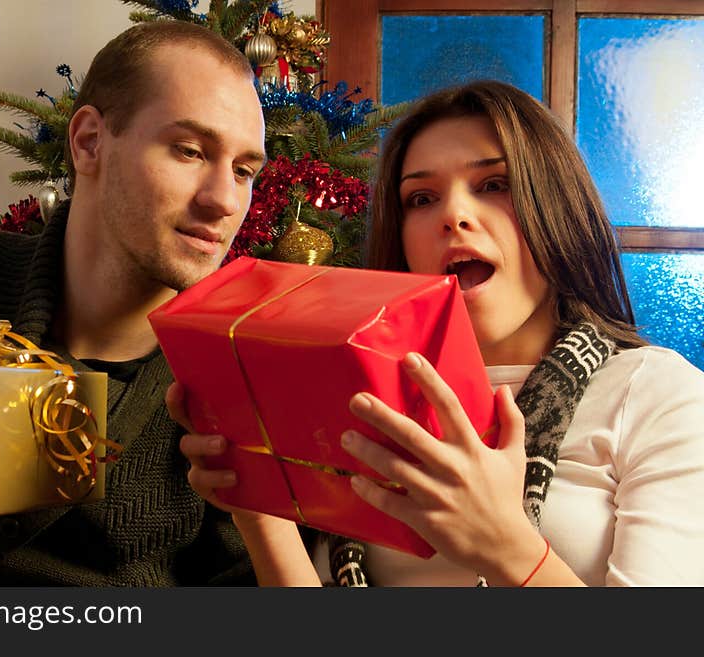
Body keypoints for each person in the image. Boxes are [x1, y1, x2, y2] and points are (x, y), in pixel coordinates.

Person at [171, 79, 704, 586]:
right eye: (421, 199)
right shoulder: (368, 400)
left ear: (556, 208)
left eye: (495, 185)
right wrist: (258, 509)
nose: (454, 215)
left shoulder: (657, 395)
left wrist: (506, 548)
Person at [0, 19, 267, 585]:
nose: (225, 200)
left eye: (245, 170)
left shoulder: (239, 368)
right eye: (188, 151)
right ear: (88, 142)